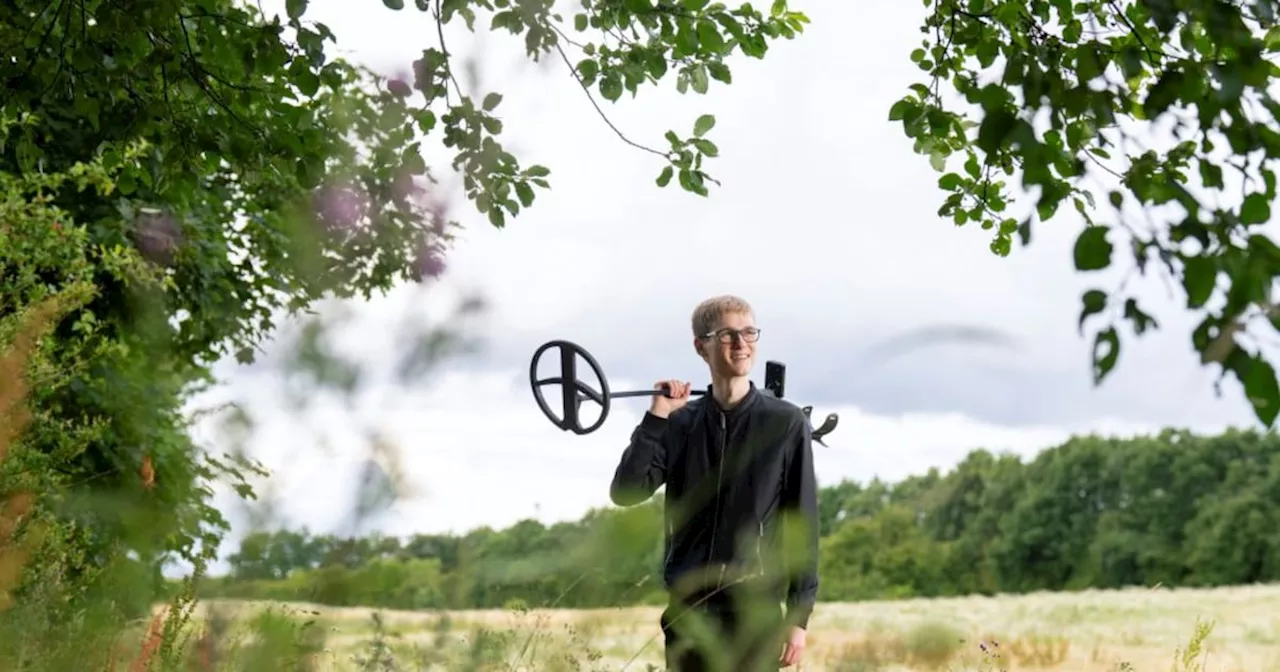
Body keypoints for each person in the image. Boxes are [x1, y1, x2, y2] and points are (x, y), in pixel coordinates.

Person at [609, 295, 819, 671]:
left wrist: (798, 618)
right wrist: (655, 420)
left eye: (749, 332)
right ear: (700, 346)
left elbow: (801, 521)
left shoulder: (785, 424)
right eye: (727, 335)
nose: (741, 344)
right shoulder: (677, 423)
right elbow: (626, 492)